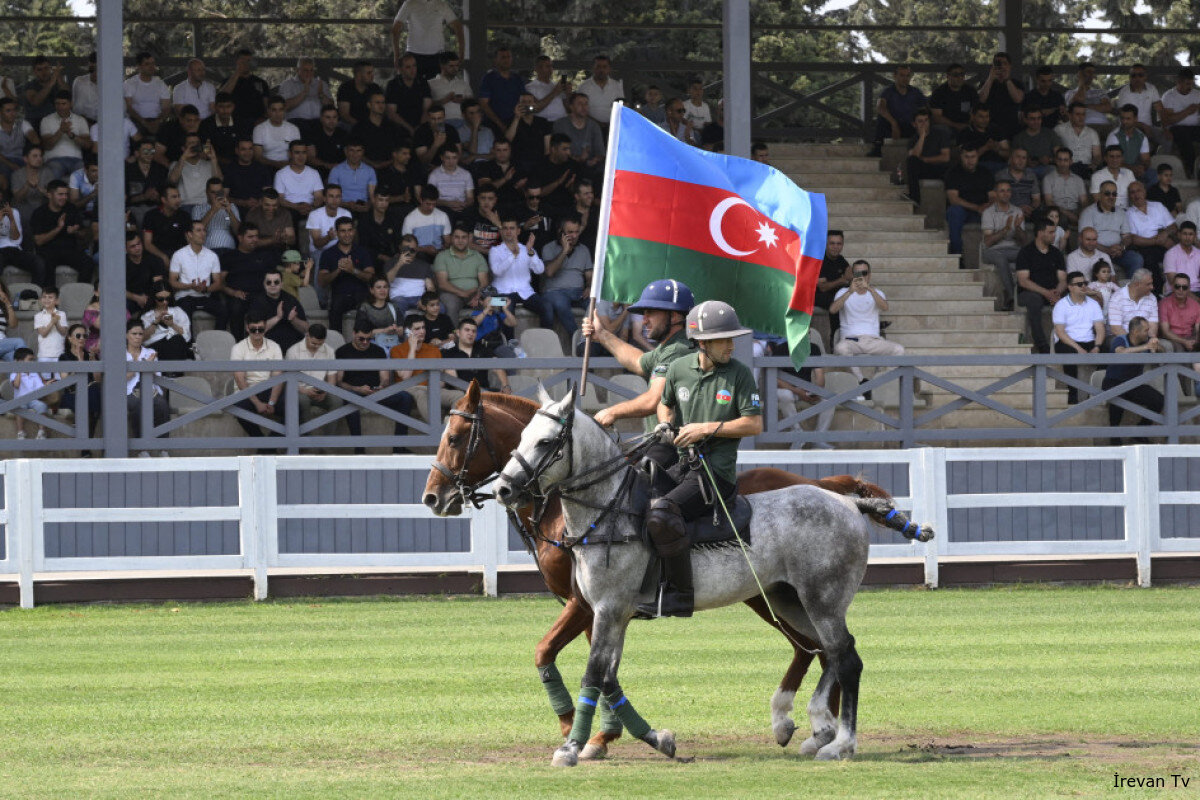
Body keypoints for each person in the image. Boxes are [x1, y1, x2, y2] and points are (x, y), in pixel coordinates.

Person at [642, 300, 762, 618]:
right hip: (682, 464)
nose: (732, 346)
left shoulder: (739, 374)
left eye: (732, 338)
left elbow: (754, 423)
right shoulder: (680, 368)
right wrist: (666, 423)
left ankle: (680, 595)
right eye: (725, 339)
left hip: (716, 473)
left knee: (663, 513)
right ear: (702, 342)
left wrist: (706, 429)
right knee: (638, 496)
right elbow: (664, 403)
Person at [335, 320, 416, 452]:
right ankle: (359, 449)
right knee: (350, 399)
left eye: (368, 339)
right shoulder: (342, 351)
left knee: (405, 397)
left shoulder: (378, 350)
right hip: (354, 392)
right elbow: (339, 382)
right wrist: (357, 389)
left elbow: (385, 378)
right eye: (361, 339)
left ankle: (399, 446)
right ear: (353, 333)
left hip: (376, 391)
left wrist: (381, 387)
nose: (365, 342)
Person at [831, 260, 905, 384]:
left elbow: (885, 307)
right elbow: (833, 310)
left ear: (869, 275)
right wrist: (850, 291)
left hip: (873, 340)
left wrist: (870, 289)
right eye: (857, 273)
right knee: (840, 348)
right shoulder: (843, 292)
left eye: (864, 273)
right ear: (852, 275)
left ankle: (880, 382)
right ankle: (861, 382)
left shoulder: (877, 293)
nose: (860, 276)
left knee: (899, 350)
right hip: (851, 340)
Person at [1102, 315, 1163, 443]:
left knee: (1158, 400)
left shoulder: (1147, 341)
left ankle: (1141, 432)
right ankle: (1114, 436)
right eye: (1146, 330)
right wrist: (1145, 347)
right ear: (1135, 331)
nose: (1149, 332)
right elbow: (1120, 352)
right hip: (1114, 382)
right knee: (1118, 395)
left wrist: (1157, 346)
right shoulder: (1120, 339)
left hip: (1134, 384)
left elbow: (1163, 355)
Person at [1014, 218, 1068, 354]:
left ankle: (1069, 342)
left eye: (1054, 232)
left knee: (1072, 297)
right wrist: (1046, 293)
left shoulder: (1056, 253)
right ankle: (1042, 345)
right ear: (1039, 233)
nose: (1054, 235)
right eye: (1050, 232)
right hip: (1030, 293)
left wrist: (1057, 292)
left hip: (1052, 292)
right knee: (1034, 300)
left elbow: (1063, 279)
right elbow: (1023, 281)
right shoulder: (1026, 252)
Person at [1052, 271, 1106, 403]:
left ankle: (1096, 393)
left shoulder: (1093, 304)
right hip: (1068, 341)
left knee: (1109, 353)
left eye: (1085, 283)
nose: (1084, 286)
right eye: (1079, 284)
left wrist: (1097, 346)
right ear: (1070, 287)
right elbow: (1060, 333)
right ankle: (1073, 396)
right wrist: (1078, 349)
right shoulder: (1061, 305)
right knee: (1069, 355)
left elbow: (1100, 329)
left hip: (1089, 340)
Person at [231, 311, 283, 440]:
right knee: (238, 409)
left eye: (261, 329)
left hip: (269, 390)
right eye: (254, 329)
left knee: (296, 408)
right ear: (247, 328)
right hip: (248, 390)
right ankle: (264, 445)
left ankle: (269, 445)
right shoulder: (238, 348)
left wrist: (272, 402)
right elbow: (240, 379)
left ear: (266, 327)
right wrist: (257, 403)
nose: (258, 332)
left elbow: (278, 377)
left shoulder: (275, 347)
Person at [318, 216, 374, 334]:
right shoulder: (328, 253)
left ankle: (362, 341)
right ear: (337, 233)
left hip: (361, 294)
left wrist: (353, 270)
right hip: (339, 294)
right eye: (343, 231)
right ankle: (337, 346)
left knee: (366, 308)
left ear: (354, 231)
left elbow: (371, 277)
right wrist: (338, 270)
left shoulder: (362, 252)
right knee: (336, 308)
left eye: (350, 230)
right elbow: (322, 282)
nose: (347, 234)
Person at [31, 180, 94, 284]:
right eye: (60, 194)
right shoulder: (39, 213)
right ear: (49, 195)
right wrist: (58, 228)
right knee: (45, 264)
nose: (64, 197)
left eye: (66, 194)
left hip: (69, 250)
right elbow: (39, 241)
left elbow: (84, 234)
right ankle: (51, 296)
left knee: (88, 263)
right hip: (48, 251)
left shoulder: (71, 208)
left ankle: (81, 295)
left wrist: (76, 231)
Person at [169, 219, 227, 330]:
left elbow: (218, 283)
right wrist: (190, 286)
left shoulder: (212, 255)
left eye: (204, 230)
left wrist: (205, 289)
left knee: (223, 310)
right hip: (184, 297)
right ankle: (189, 346)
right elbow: (172, 282)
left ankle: (217, 343)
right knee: (184, 313)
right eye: (198, 230)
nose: (203, 233)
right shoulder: (179, 255)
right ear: (189, 234)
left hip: (204, 296)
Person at [221, 225, 277, 339]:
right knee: (236, 308)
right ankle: (238, 343)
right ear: (240, 238)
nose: (255, 240)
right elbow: (219, 282)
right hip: (237, 295)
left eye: (256, 236)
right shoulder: (229, 256)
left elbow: (274, 276)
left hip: (260, 294)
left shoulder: (264, 255)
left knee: (265, 305)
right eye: (250, 237)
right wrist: (233, 292)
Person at [540, 215, 591, 336]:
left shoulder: (583, 249)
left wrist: (589, 287)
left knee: (595, 304)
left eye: (576, 232)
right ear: (560, 232)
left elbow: (589, 275)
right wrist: (564, 251)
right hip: (555, 291)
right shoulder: (549, 248)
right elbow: (550, 272)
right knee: (560, 304)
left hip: (578, 292)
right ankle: (577, 338)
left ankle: (595, 339)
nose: (574, 235)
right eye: (570, 232)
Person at [980, 180, 1028, 309]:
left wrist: (1017, 228)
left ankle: (1025, 294)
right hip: (992, 251)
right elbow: (988, 242)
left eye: (1008, 191)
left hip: (1012, 249)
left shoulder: (1017, 211)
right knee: (1001, 258)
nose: (1005, 194)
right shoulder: (988, 213)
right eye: (1002, 191)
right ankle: (1012, 295)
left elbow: (1023, 242)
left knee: (1029, 254)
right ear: (995, 194)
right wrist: (1006, 229)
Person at [441, 316, 510, 404]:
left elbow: (497, 365)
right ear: (458, 333)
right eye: (467, 330)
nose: (471, 333)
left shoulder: (482, 348)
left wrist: (506, 386)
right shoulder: (449, 352)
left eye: (474, 331)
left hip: (484, 392)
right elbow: (451, 378)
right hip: (461, 395)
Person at [1079, 180, 1142, 278]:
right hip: (1096, 252)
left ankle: (1130, 290)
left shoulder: (1121, 212)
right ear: (1100, 195)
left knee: (1136, 259)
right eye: (1107, 193)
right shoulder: (1088, 212)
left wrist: (1121, 247)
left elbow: (1127, 237)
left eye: (1114, 194)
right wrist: (1107, 250)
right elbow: (1085, 240)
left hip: (1117, 252)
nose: (1111, 197)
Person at [124, 319, 170, 451]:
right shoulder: (121, 354)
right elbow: (121, 379)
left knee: (162, 405)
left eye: (140, 334)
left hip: (151, 390)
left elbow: (158, 377)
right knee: (136, 405)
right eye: (134, 334)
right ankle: (141, 449)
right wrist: (141, 366)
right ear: (127, 335)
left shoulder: (150, 352)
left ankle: (163, 448)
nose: (138, 337)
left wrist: (150, 367)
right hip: (129, 392)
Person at [488, 216, 546, 321]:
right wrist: (512, 256)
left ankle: (546, 337)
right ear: (501, 231)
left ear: (518, 231)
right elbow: (497, 272)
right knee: (506, 309)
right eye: (505, 228)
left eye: (512, 228)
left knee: (547, 307)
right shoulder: (495, 251)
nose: (508, 231)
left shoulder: (527, 249)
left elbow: (540, 270)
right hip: (500, 294)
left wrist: (531, 253)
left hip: (525, 292)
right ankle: (509, 338)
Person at [285, 323, 343, 423]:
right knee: (303, 401)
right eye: (313, 343)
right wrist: (305, 391)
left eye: (320, 344)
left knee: (337, 401)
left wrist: (325, 392)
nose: (317, 346)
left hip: (320, 390)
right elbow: (288, 380)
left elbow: (332, 378)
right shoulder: (293, 351)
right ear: (307, 335)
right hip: (300, 391)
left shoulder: (329, 350)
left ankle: (329, 437)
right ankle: (308, 437)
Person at [943, 145, 994, 258]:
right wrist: (977, 207)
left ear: (977, 157)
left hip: (982, 211)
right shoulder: (953, 173)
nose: (970, 160)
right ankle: (956, 254)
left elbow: (993, 197)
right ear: (961, 157)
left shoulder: (985, 172)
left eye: (973, 157)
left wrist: (987, 206)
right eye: (967, 157)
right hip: (963, 211)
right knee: (954, 211)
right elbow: (953, 199)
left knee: (998, 210)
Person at [391, 0, 463, 79]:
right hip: (414, 56)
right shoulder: (410, 3)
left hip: (437, 57)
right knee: (412, 89)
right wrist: (396, 56)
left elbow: (458, 27)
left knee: (437, 89)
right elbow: (395, 29)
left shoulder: (442, 4)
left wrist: (461, 54)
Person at [433, 222, 487, 321]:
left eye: (464, 237)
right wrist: (463, 293)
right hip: (451, 294)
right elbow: (442, 284)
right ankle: (453, 335)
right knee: (451, 305)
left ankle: (489, 336)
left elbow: (484, 282)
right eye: (457, 237)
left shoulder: (477, 256)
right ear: (451, 238)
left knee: (500, 301)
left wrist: (478, 295)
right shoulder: (442, 256)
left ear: (469, 238)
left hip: (475, 293)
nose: (460, 241)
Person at [870, 64, 926, 156]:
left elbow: (925, 110)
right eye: (902, 75)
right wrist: (894, 123)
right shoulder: (888, 91)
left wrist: (918, 123)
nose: (905, 78)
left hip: (911, 126)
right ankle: (877, 148)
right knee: (881, 118)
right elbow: (880, 107)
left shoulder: (916, 92)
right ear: (895, 76)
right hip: (892, 127)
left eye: (907, 76)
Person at [57, 323, 101, 436]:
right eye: (78, 336)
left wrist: (93, 361)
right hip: (73, 394)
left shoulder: (89, 355)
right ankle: (86, 446)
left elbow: (98, 379)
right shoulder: (64, 357)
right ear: (70, 338)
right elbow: (65, 381)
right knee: (92, 401)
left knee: (94, 391)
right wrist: (79, 362)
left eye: (84, 336)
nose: (81, 338)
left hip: (91, 394)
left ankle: (86, 443)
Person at [1160, 68, 1200, 179]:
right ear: (1179, 82)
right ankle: (1191, 171)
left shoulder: (1197, 95)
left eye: (1191, 84)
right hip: (1176, 128)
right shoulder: (1169, 96)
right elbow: (1167, 120)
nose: (1190, 87)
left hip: (1195, 127)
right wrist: (1187, 111)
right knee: (1185, 140)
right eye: (1187, 84)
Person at [38, 90, 87, 181]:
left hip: (76, 160)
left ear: (71, 104)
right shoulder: (46, 120)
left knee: (83, 179)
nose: (60, 107)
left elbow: (88, 145)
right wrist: (61, 131)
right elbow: (47, 146)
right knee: (53, 180)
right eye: (57, 104)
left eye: (63, 104)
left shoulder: (80, 120)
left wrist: (72, 135)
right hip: (54, 160)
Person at [904, 107, 950, 203]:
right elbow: (914, 157)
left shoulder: (940, 134)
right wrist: (922, 137)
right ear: (914, 124)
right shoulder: (913, 140)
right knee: (911, 161)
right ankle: (915, 198)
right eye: (920, 121)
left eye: (926, 120)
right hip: (924, 170)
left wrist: (925, 159)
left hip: (939, 169)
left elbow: (946, 157)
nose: (924, 124)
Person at [273, 140, 325, 222]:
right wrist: (296, 207)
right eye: (297, 153)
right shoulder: (280, 174)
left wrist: (311, 207)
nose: (301, 156)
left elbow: (319, 197)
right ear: (290, 154)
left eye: (304, 152)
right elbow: (280, 199)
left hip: (310, 208)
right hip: (289, 209)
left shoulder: (314, 173)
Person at [978, 51, 1024, 140]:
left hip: (1011, 125)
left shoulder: (1016, 84)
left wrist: (1007, 79)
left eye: (1004, 63)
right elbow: (981, 100)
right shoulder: (986, 83)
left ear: (1010, 66)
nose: (1001, 66)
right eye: (998, 63)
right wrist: (991, 78)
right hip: (990, 125)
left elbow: (1018, 99)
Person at [386, 234, 436, 316]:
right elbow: (388, 280)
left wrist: (425, 299)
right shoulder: (391, 263)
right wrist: (399, 264)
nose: (409, 252)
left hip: (420, 297)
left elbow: (430, 287)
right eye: (406, 249)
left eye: (413, 250)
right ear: (400, 248)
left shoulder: (424, 265)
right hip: (399, 297)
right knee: (398, 306)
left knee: (440, 308)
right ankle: (401, 328)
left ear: (417, 249)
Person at [0, 193, 44, 285]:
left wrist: (11, 219)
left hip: (14, 249)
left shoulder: (14, 212)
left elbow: (15, 239)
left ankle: (33, 294)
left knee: (38, 263)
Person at [384, 56, 431, 140]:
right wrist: (410, 129)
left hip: (420, 123)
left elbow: (427, 108)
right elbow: (391, 113)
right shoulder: (393, 85)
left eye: (414, 66)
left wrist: (419, 128)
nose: (412, 70)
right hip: (400, 126)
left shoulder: (422, 82)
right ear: (400, 69)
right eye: (408, 67)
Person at [123, 52, 171, 135]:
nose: (151, 67)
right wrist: (143, 122)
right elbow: (129, 108)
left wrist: (158, 121)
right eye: (147, 64)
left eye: (153, 63)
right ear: (139, 66)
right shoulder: (130, 83)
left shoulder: (160, 83)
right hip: (137, 121)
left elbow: (166, 107)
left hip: (157, 120)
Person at [223, 139, 274, 216]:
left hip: (260, 210)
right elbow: (224, 196)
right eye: (243, 149)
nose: (247, 153)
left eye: (250, 149)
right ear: (237, 151)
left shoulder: (261, 168)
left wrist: (258, 203)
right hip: (235, 210)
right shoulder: (229, 169)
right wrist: (243, 203)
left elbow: (269, 193)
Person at [479, 48, 526, 130]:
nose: (506, 60)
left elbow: (524, 100)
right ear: (495, 60)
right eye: (503, 57)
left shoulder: (517, 78)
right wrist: (500, 125)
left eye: (508, 57)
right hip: (494, 124)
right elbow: (484, 104)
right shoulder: (488, 78)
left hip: (516, 122)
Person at [278, 57, 333, 129]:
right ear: (298, 70)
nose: (309, 73)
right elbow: (284, 107)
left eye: (311, 70)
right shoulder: (288, 84)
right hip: (295, 123)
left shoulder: (321, 84)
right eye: (305, 70)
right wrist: (304, 93)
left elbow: (331, 106)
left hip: (318, 123)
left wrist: (321, 94)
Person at [199, 92, 253, 164]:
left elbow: (246, 145)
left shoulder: (241, 123)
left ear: (233, 107)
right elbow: (206, 150)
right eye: (221, 106)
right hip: (213, 163)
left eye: (228, 106)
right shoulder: (206, 125)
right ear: (215, 107)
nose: (225, 110)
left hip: (238, 163)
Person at [1106, 105, 1152, 186]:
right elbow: (1113, 161)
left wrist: (1142, 167)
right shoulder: (1114, 136)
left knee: (1154, 176)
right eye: (1122, 118)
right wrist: (1133, 169)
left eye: (1128, 119)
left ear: (1136, 119)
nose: (1124, 121)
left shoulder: (1141, 136)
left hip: (1136, 170)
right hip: (1118, 170)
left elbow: (1146, 159)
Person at [220, 49, 270, 125]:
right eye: (243, 61)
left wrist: (264, 118)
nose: (246, 64)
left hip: (257, 122)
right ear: (237, 62)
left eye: (248, 61)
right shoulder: (228, 81)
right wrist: (238, 72)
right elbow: (222, 97)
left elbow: (267, 106)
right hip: (234, 123)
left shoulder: (260, 82)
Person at [141, 288, 191, 362]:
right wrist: (155, 322)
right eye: (161, 299)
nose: (165, 302)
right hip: (156, 346)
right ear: (154, 299)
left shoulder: (178, 311)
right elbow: (142, 339)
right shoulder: (147, 316)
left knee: (177, 340)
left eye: (167, 299)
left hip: (177, 344)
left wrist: (172, 324)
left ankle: (173, 372)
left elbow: (187, 337)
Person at [1108, 268, 1159, 339]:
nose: (1152, 287)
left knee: (1165, 346)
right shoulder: (1117, 298)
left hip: (1144, 339)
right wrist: (1133, 343)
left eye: (1151, 283)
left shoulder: (1152, 298)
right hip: (1122, 339)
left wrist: (1149, 341)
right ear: (1137, 284)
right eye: (1148, 284)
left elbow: (1153, 326)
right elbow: (1116, 329)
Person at [9, 347, 49, 440]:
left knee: (42, 406)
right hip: (21, 400)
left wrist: (47, 384)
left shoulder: (34, 373)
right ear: (20, 361)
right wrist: (19, 370)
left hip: (34, 399)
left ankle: (42, 431)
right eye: (30, 359)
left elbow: (40, 388)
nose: (32, 362)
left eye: (33, 360)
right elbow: (17, 385)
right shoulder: (14, 373)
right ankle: (20, 432)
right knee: (19, 408)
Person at [403, 185, 452, 260]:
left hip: (438, 253)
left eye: (434, 204)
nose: (431, 207)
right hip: (418, 254)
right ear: (420, 200)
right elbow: (406, 246)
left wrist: (442, 250)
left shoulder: (443, 216)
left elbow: (447, 241)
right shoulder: (410, 219)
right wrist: (425, 249)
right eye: (428, 204)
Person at [1054, 102, 1101, 180]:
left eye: (1083, 114)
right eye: (1078, 114)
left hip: (1087, 167)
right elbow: (1055, 150)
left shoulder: (1092, 132)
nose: (1081, 117)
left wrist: (1094, 164)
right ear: (1070, 115)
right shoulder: (1059, 130)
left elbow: (1097, 155)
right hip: (1067, 166)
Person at [425, 145, 473, 221]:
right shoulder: (434, 175)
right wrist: (449, 203)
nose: (451, 162)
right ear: (442, 158)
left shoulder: (466, 174)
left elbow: (470, 198)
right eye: (448, 158)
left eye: (454, 158)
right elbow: (430, 198)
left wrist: (464, 205)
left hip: (462, 207)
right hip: (443, 207)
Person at [356, 276, 404, 351]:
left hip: (393, 343)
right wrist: (385, 331)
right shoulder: (365, 307)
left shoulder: (393, 307)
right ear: (372, 290)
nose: (382, 290)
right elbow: (361, 333)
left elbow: (402, 329)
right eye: (378, 287)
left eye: (385, 287)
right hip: (371, 345)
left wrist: (397, 330)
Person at [252, 96, 301, 170]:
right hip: (266, 168)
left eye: (281, 110)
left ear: (284, 110)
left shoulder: (293, 129)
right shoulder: (259, 129)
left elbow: (298, 152)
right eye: (274, 110)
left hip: (289, 167)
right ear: (268, 111)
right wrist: (276, 164)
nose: (278, 114)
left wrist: (287, 164)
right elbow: (258, 156)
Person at [576, 55, 625, 129]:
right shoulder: (584, 87)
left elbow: (622, 107)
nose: (601, 70)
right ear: (593, 69)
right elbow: (579, 109)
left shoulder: (617, 86)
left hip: (613, 127)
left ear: (609, 69)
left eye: (604, 67)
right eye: (598, 67)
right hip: (589, 127)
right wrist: (596, 123)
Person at [193, 178, 240, 255]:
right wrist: (213, 210)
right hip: (208, 250)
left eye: (219, 192)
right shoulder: (198, 208)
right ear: (207, 192)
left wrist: (229, 212)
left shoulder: (232, 206)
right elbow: (195, 232)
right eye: (213, 192)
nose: (216, 195)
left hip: (229, 248)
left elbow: (238, 232)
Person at [328, 141, 377, 213]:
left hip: (364, 208)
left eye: (358, 151)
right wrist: (347, 204)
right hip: (341, 208)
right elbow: (331, 197)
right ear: (345, 151)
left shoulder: (370, 171)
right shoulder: (336, 170)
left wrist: (368, 205)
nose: (355, 154)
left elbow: (372, 196)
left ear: (363, 152)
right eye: (351, 150)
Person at [1011, 107, 1060, 179]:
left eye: (1039, 118)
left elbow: (1060, 156)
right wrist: (1026, 162)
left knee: (1053, 170)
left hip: (1047, 168)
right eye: (1032, 119)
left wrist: (1049, 160)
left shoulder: (1050, 134)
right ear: (1025, 120)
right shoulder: (1019, 138)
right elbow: (1013, 160)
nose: (1036, 121)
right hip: (1026, 170)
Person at [429, 52, 472, 133]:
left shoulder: (463, 83)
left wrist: (463, 101)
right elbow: (426, 106)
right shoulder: (431, 83)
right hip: (441, 122)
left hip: (462, 122)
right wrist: (444, 100)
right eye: (451, 66)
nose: (455, 69)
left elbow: (472, 103)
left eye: (457, 66)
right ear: (442, 66)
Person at [1159, 272, 1200, 356]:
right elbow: (1165, 332)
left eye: (1184, 287)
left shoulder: (1196, 305)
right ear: (1172, 287)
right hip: (1172, 339)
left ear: (1189, 289)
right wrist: (1184, 342)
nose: (1181, 290)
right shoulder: (1164, 304)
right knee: (1178, 350)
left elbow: (1198, 329)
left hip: (1190, 338)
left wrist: (1194, 341)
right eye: (1177, 286)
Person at [306, 184, 351, 257]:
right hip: (320, 252)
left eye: (338, 196)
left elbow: (350, 239)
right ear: (324, 198)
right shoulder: (314, 215)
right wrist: (329, 237)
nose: (334, 200)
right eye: (331, 196)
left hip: (342, 250)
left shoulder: (346, 213)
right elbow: (317, 244)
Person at [994, 148, 1042, 217]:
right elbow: (997, 199)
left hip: (1028, 211)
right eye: (1018, 157)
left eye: (1024, 158)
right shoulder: (1001, 176)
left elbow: (1036, 199)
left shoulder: (1031, 176)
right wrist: (1017, 209)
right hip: (1007, 212)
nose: (1021, 161)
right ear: (1010, 159)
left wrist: (1030, 208)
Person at [1063, 61, 1112, 128]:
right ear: (1080, 74)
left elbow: (1107, 108)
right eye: (1088, 72)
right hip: (1083, 127)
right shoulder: (1070, 93)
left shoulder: (1100, 92)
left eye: (1093, 72)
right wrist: (1081, 82)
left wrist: (1084, 106)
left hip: (1102, 124)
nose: (1091, 75)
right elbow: (1075, 105)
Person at [337, 61, 383, 130]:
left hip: (372, 124)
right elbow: (344, 114)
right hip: (351, 125)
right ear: (358, 74)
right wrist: (361, 126)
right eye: (369, 73)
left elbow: (381, 109)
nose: (372, 76)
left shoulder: (375, 88)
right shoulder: (345, 88)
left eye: (372, 72)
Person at [307, 105, 348, 176]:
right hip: (320, 170)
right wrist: (327, 165)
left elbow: (349, 154)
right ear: (321, 119)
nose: (332, 121)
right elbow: (310, 158)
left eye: (334, 117)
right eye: (328, 117)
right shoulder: (313, 134)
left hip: (341, 170)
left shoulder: (343, 134)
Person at [526, 55, 570, 124]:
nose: (550, 69)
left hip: (562, 122)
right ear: (538, 69)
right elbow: (534, 108)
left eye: (551, 66)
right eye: (547, 66)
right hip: (544, 124)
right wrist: (554, 92)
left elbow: (568, 108)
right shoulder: (530, 87)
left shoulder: (556, 85)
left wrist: (568, 93)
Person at [1164, 221, 1200, 292]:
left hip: (1197, 291)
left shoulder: (1198, 253)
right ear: (1179, 235)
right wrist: (1195, 299)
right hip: (1177, 292)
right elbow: (1174, 282)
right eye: (1184, 234)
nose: (1187, 237)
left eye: (1190, 234)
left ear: (1195, 236)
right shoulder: (1170, 254)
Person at [0, 278, 27, 360]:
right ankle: (27, 372)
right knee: (19, 342)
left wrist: (7, 303)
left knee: (14, 358)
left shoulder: (3, 307)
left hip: (3, 342)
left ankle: (21, 372)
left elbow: (13, 324)